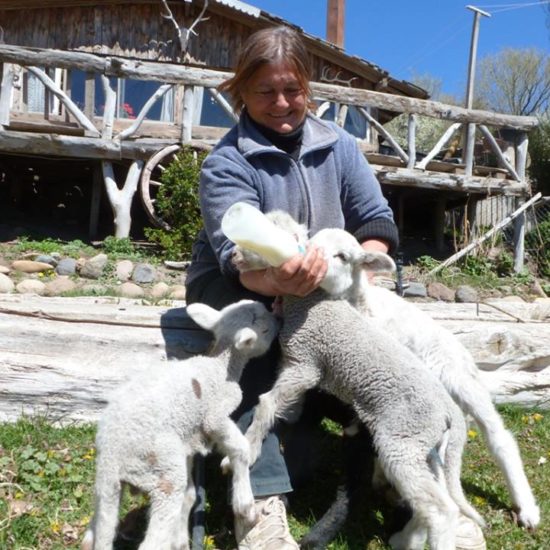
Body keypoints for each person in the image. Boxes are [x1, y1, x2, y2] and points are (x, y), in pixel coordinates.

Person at [185, 25, 398, 550]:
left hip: (323, 285)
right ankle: (259, 506)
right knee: (255, 335)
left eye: (293, 90)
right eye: (265, 91)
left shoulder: (340, 147)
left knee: (385, 336)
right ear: (241, 92)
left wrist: (360, 280)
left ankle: (404, 473)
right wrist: (275, 281)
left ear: (309, 87)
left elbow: (376, 222)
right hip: (240, 282)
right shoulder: (228, 161)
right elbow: (236, 258)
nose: (282, 103)